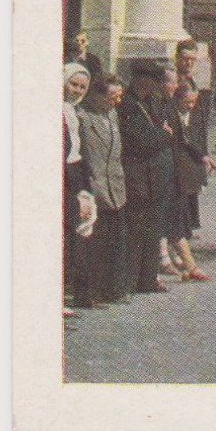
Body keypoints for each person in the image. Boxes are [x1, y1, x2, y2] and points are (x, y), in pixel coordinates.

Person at [117, 60, 177, 294]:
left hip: (157, 178)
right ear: (142, 79)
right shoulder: (128, 105)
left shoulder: (155, 102)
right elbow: (139, 143)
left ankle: (148, 278)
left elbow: (166, 131)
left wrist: (161, 135)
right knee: (136, 230)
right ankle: (131, 281)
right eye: (154, 81)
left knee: (153, 229)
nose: (157, 86)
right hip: (138, 178)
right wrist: (162, 136)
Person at [75, 73, 128, 306]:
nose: (116, 102)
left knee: (114, 242)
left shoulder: (113, 115)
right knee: (93, 245)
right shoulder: (83, 117)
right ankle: (89, 293)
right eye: (112, 97)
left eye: (119, 97)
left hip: (115, 187)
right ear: (97, 95)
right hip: (93, 187)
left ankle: (113, 289)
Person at [167, 86, 216, 280]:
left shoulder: (193, 116)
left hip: (184, 174)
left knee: (176, 219)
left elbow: (196, 140)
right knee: (173, 219)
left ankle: (186, 264)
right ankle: (182, 263)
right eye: (187, 102)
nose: (191, 106)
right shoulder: (169, 115)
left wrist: (203, 157)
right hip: (170, 173)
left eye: (193, 102)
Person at [62, 63, 96, 313]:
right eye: (73, 84)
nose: (77, 90)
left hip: (76, 171)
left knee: (78, 232)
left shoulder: (75, 110)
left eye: (82, 87)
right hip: (63, 173)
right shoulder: (57, 109)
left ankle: (74, 293)